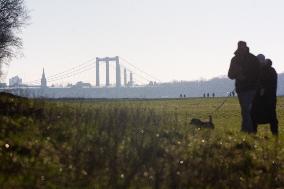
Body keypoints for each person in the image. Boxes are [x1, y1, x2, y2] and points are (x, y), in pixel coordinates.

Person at [228, 41, 260, 133]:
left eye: (242, 48)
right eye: (240, 47)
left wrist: (246, 78)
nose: (241, 49)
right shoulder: (234, 59)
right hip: (241, 89)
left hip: (252, 88)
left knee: (247, 110)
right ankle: (246, 130)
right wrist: (237, 76)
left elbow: (257, 74)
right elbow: (230, 75)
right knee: (245, 110)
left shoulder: (253, 59)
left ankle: (248, 131)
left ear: (246, 47)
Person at [251, 58, 278, 135]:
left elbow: (271, 83)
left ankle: (274, 134)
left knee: (271, 116)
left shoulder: (269, 71)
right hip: (263, 99)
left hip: (268, 99)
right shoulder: (267, 70)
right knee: (254, 116)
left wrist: (263, 88)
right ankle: (253, 134)